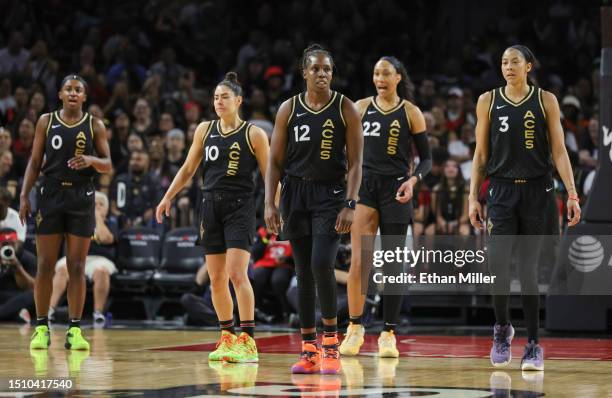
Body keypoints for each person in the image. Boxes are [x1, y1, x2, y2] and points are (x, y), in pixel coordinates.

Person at [468, 45, 580, 371]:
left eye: (514, 61)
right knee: (497, 267)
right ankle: (502, 330)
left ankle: (533, 344)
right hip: (501, 192)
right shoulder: (487, 101)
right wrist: (473, 196)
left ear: (528, 66)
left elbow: (559, 152)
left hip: (538, 191)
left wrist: (572, 193)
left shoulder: (546, 100)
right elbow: (480, 154)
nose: (508, 67)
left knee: (529, 272)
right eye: (503, 62)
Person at [156, 72, 270, 363]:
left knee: (236, 273)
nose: (219, 101)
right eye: (216, 97)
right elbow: (187, 169)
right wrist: (167, 196)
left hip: (240, 207)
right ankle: (227, 336)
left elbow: (272, 177)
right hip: (209, 206)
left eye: (225, 97)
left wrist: (274, 208)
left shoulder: (254, 133)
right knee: (216, 279)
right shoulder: (205, 130)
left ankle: (248, 340)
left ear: (239, 100)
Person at [265, 44, 363, 375]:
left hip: (331, 193)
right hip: (295, 192)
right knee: (302, 270)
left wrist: (350, 203)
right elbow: (275, 162)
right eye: (316, 69)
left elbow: (356, 163)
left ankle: (331, 343)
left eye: (327, 69)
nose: (322, 74)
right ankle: (309, 349)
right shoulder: (288, 109)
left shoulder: (345, 107)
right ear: (304, 72)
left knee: (322, 263)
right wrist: (270, 201)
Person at [338, 57, 431, 358]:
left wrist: (413, 180)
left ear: (398, 78)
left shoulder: (411, 112)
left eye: (386, 73)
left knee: (393, 266)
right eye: (376, 72)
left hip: (396, 190)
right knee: (360, 263)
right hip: (366, 188)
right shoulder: (360, 107)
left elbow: (426, 159)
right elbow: (345, 149)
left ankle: (388, 333)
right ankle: (355, 327)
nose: (380, 77)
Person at [19, 74, 112, 351]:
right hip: (51, 195)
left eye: (78, 90)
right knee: (46, 265)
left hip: (81, 197)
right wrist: (24, 195)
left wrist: (92, 160)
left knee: (77, 266)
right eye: (68, 89)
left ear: (84, 96)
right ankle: (41, 327)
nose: (73, 93)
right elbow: (35, 162)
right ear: (60, 94)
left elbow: (107, 164)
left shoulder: (94, 125)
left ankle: (74, 329)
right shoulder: (46, 122)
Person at [49, 191, 118, 328]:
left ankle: (98, 314)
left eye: (101, 204)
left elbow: (105, 238)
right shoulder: (76, 220)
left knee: (101, 271)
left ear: (107, 209)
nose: (97, 206)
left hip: (100, 259)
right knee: (63, 269)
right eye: (94, 203)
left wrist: (97, 217)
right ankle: (49, 310)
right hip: (76, 257)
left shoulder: (112, 222)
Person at [0, 228, 35, 322]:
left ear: (18, 243)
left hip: (19, 297)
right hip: (3, 296)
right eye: (4, 244)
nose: (8, 248)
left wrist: (17, 266)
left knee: (33, 295)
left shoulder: (28, 258)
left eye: (12, 244)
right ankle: (16, 314)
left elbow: (33, 287)